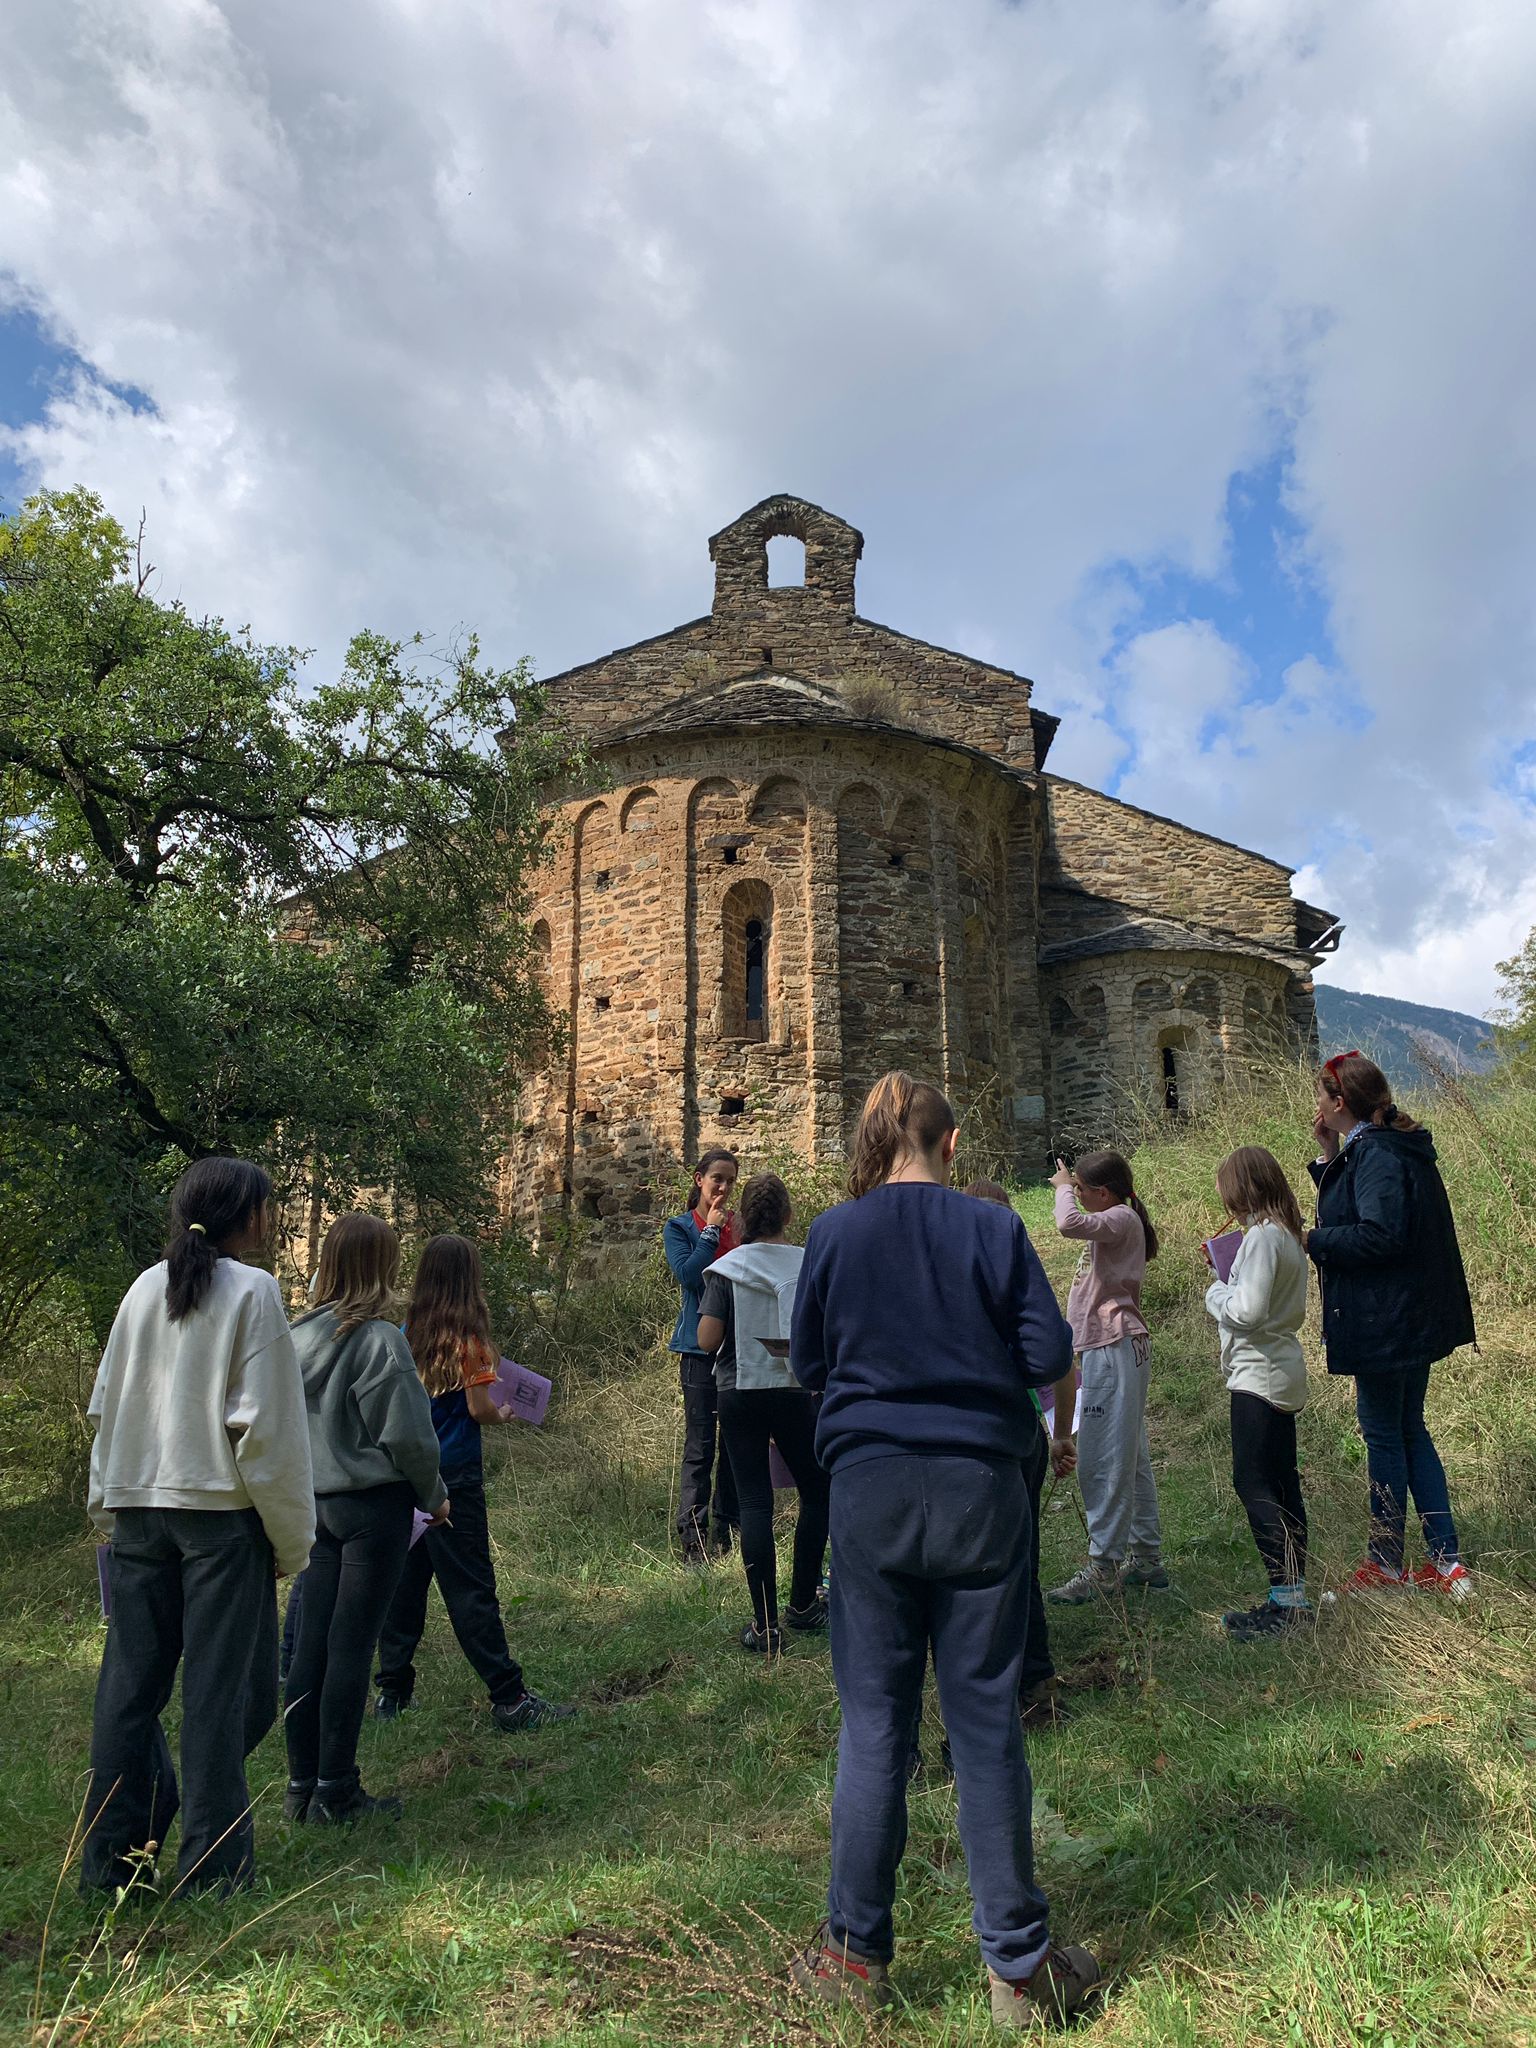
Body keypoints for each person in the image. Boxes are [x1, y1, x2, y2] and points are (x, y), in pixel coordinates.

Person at [788, 1072, 1099, 2026]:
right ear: (951, 1146)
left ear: (876, 1143)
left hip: (869, 1490)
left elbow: (809, 1365)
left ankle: (852, 1964)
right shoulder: (992, 1228)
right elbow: (1049, 1356)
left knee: (874, 1724)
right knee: (985, 1720)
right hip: (978, 1490)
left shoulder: (832, 1234)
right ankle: (1019, 1970)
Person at [81, 1157, 314, 1898]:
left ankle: (111, 1866)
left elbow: (106, 1409)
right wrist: (292, 1540)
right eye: (268, 1206)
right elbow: (267, 1432)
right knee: (223, 1699)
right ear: (247, 1215)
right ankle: (213, 1873)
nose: (273, 1218)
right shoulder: (254, 1290)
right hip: (219, 1521)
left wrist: (107, 1506)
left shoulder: (142, 1288)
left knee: (128, 1693)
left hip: (137, 1513)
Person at [284, 1214, 448, 1824]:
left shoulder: (292, 1339)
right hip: (372, 1509)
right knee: (351, 1648)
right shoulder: (381, 1341)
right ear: (383, 1266)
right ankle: (337, 1790)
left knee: (311, 1645)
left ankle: (301, 1787)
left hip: (314, 1506)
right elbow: (408, 1436)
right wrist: (434, 1496)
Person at [374, 1233, 574, 1729]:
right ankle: (510, 1698)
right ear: (469, 1279)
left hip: (408, 1475)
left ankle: (392, 1693)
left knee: (404, 1587)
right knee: (471, 1587)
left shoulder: (402, 1334)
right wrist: (503, 1414)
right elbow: (479, 1408)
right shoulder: (470, 1342)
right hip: (456, 1478)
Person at [1308, 1051, 1476, 1598]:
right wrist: (1328, 1156)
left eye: (1320, 1097)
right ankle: (1446, 1564)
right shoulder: (1387, 1146)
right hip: (1409, 1317)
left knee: (1385, 1435)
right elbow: (1358, 1210)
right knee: (1408, 1429)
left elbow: (1379, 1235)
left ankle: (1385, 1564)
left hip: (1387, 1321)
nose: (1316, 1106)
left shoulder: (1377, 1153)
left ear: (1339, 1102)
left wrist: (1311, 1241)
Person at [694, 1172, 829, 1653]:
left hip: (739, 1390)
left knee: (754, 1502)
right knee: (818, 1491)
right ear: (788, 1216)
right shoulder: (806, 1263)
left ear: (742, 1220)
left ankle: (766, 1626)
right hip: (794, 1390)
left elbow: (707, 1339)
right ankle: (804, 1603)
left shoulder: (728, 1268)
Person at [1046, 1151, 1166, 1603]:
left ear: (1102, 1192)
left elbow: (1066, 1223)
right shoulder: (1119, 1219)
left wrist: (1061, 1187)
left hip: (1112, 1345)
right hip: (1115, 1345)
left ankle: (1103, 1565)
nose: (1075, 1194)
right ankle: (1146, 1558)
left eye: (1081, 1188)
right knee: (1130, 1455)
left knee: (1102, 1456)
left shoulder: (1119, 1216)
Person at [1202, 1147, 1312, 1639]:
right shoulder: (1285, 1233)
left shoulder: (1264, 1237)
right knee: (1283, 1485)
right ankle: (1291, 1598)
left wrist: (1215, 1289)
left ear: (1243, 1188)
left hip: (1258, 1374)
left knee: (1253, 1483)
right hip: (1277, 1368)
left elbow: (1246, 1311)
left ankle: (1286, 1604)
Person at [968, 1180, 1060, 1723]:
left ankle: (1014, 1684)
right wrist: (1060, 1431)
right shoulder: (1016, 1273)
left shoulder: (958, 1277)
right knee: (1021, 1556)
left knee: (990, 1562)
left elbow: (1053, 1354)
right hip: (1018, 1430)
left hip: (988, 1433)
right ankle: (1034, 1678)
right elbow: (1053, 1356)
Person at [663, 1148, 741, 1562]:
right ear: (699, 1180)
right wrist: (710, 1231)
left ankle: (727, 1533)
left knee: (735, 1444)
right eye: (717, 1179)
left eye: (730, 1181)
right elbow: (690, 1276)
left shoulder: (739, 1227)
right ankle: (693, 1539)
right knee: (700, 1445)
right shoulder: (680, 1228)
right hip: (698, 1351)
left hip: (738, 1350)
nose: (724, 1188)